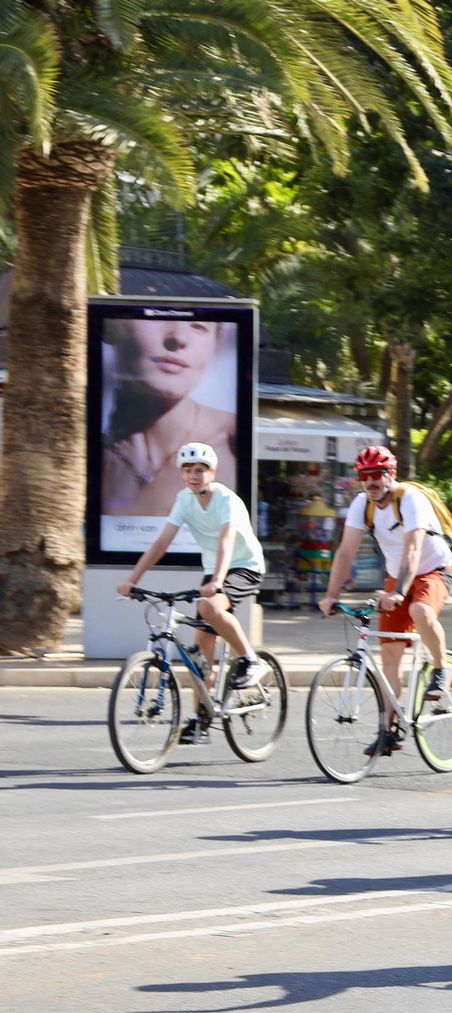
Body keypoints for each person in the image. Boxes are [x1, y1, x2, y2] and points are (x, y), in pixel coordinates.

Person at [116, 442, 269, 745]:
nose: (194, 475)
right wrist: (132, 579)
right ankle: (201, 721)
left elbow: (226, 540)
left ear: (212, 472)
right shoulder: (184, 500)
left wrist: (218, 581)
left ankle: (251, 660)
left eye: (200, 470)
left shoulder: (226, 499)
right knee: (202, 655)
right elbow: (161, 543)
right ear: (182, 475)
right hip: (215, 571)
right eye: (188, 470)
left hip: (244, 566)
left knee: (211, 608)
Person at [319, 445, 452, 757]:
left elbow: (412, 548)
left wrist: (398, 592)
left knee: (420, 610)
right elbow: (345, 552)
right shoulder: (361, 505)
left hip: (433, 570)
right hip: (398, 577)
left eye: (378, 474)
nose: (371, 482)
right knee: (389, 656)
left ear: (391, 475)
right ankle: (388, 730)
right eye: (365, 476)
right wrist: (331, 595)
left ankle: (441, 667)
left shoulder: (410, 499)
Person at [103, 317, 237, 517]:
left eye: (199, 327)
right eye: (155, 319)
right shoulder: (81, 454)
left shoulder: (233, 440)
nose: (178, 338)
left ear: (215, 345)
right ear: (114, 328)